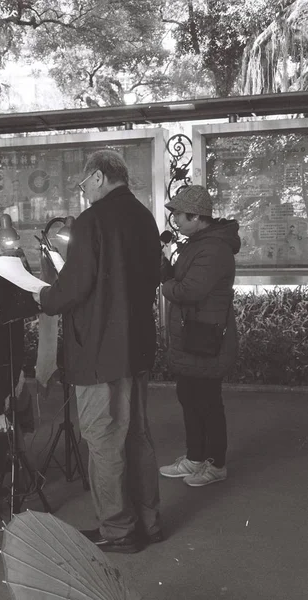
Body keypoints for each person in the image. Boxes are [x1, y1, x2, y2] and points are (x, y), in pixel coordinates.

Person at [33, 149, 162, 553]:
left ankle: (117, 531)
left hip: (98, 352)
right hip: (136, 348)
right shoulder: (144, 217)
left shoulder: (93, 221)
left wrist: (45, 295)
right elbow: (154, 275)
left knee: (103, 439)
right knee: (137, 435)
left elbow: (74, 289)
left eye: (84, 183)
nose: (83, 190)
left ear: (100, 177)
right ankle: (149, 522)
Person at [159, 185, 240, 487]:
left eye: (179, 214)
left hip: (206, 339)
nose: (175, 220)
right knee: (190, 397)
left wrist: (165, 284)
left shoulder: (213, 248)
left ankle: (216, 464)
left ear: (195, 216)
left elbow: (188, 290)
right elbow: (182, 281)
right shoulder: (197, 243)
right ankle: (195, 458)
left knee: (206, 401)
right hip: (193, 336)